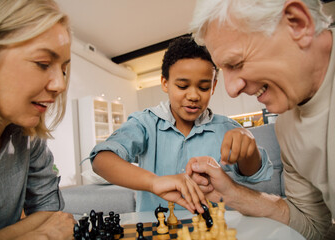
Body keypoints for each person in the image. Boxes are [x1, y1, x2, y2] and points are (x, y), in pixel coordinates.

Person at [186, 0, 335, 239]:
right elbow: (313, 226)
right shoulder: (286, 126)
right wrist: (231, 193)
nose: (231, 89)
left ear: (297, 24)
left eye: (236, 63)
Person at [90, 36, 273, 212]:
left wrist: (249, 149)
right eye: (183, 86)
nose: (193, 96)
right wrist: (155, 182)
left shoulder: (227, 128)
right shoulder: (144, 123)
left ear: (214, 86)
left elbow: (254, 174)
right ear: (165, 83)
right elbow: (101, 160)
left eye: (203, 87)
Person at [0, 0, 75, 239]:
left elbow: (51, 212)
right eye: (42, 64)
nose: (60, 85)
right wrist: (38, 235)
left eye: (63, 70)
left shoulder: (29, 140)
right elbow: (50, 226)